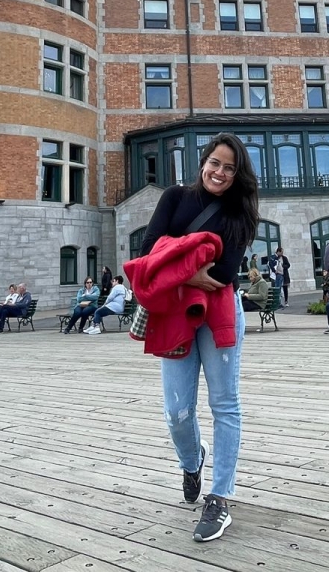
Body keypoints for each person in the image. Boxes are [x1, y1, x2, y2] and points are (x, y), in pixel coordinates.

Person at [134, 132, 259, 543]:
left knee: (225, 403)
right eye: (215, 163)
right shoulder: (175, 197)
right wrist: (190, 270)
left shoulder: (241, 211)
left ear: (237, 175)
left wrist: (173, 260)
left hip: (220, 311)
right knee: (177, 411)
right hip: (175, 313)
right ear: (203, 161)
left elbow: (223, 274)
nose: (220, 173)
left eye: (229, 168)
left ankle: (220, 497)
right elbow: (147, 252)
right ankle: (193, 460)